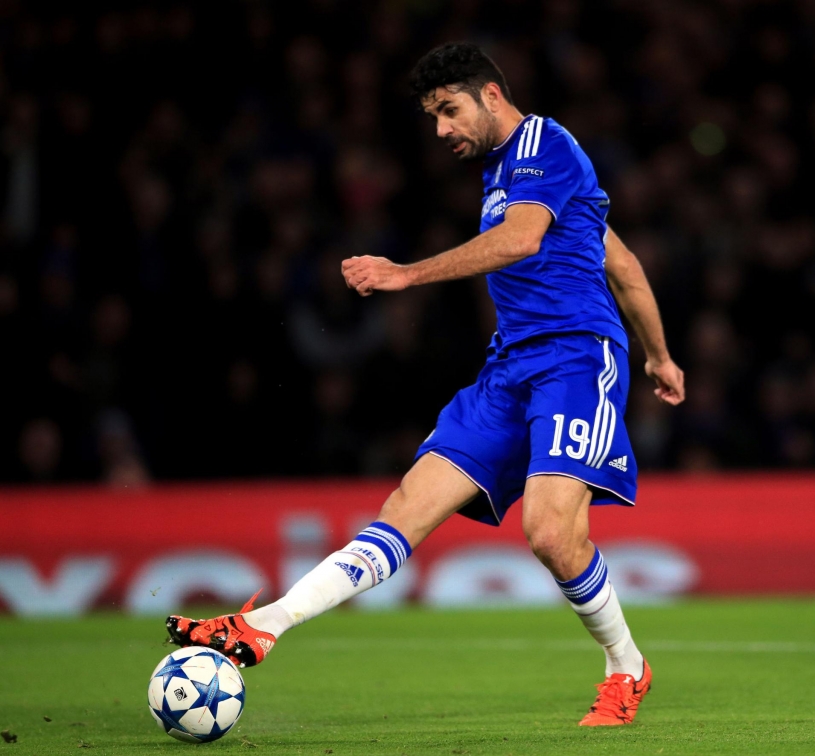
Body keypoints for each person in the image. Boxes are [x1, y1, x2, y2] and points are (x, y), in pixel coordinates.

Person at [167, 42, 685, 727]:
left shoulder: (545, 144)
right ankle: (263, 625)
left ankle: (627, 667)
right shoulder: (512, 174)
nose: (440, 129)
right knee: (406, 507)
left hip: (574, 359)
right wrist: (661, 356)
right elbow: (623, 266)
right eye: (431, 116)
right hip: (509, 369)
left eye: (448, 110)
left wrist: (405, 273)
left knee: (549, 532)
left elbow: (522, 240)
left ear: (490, 96)